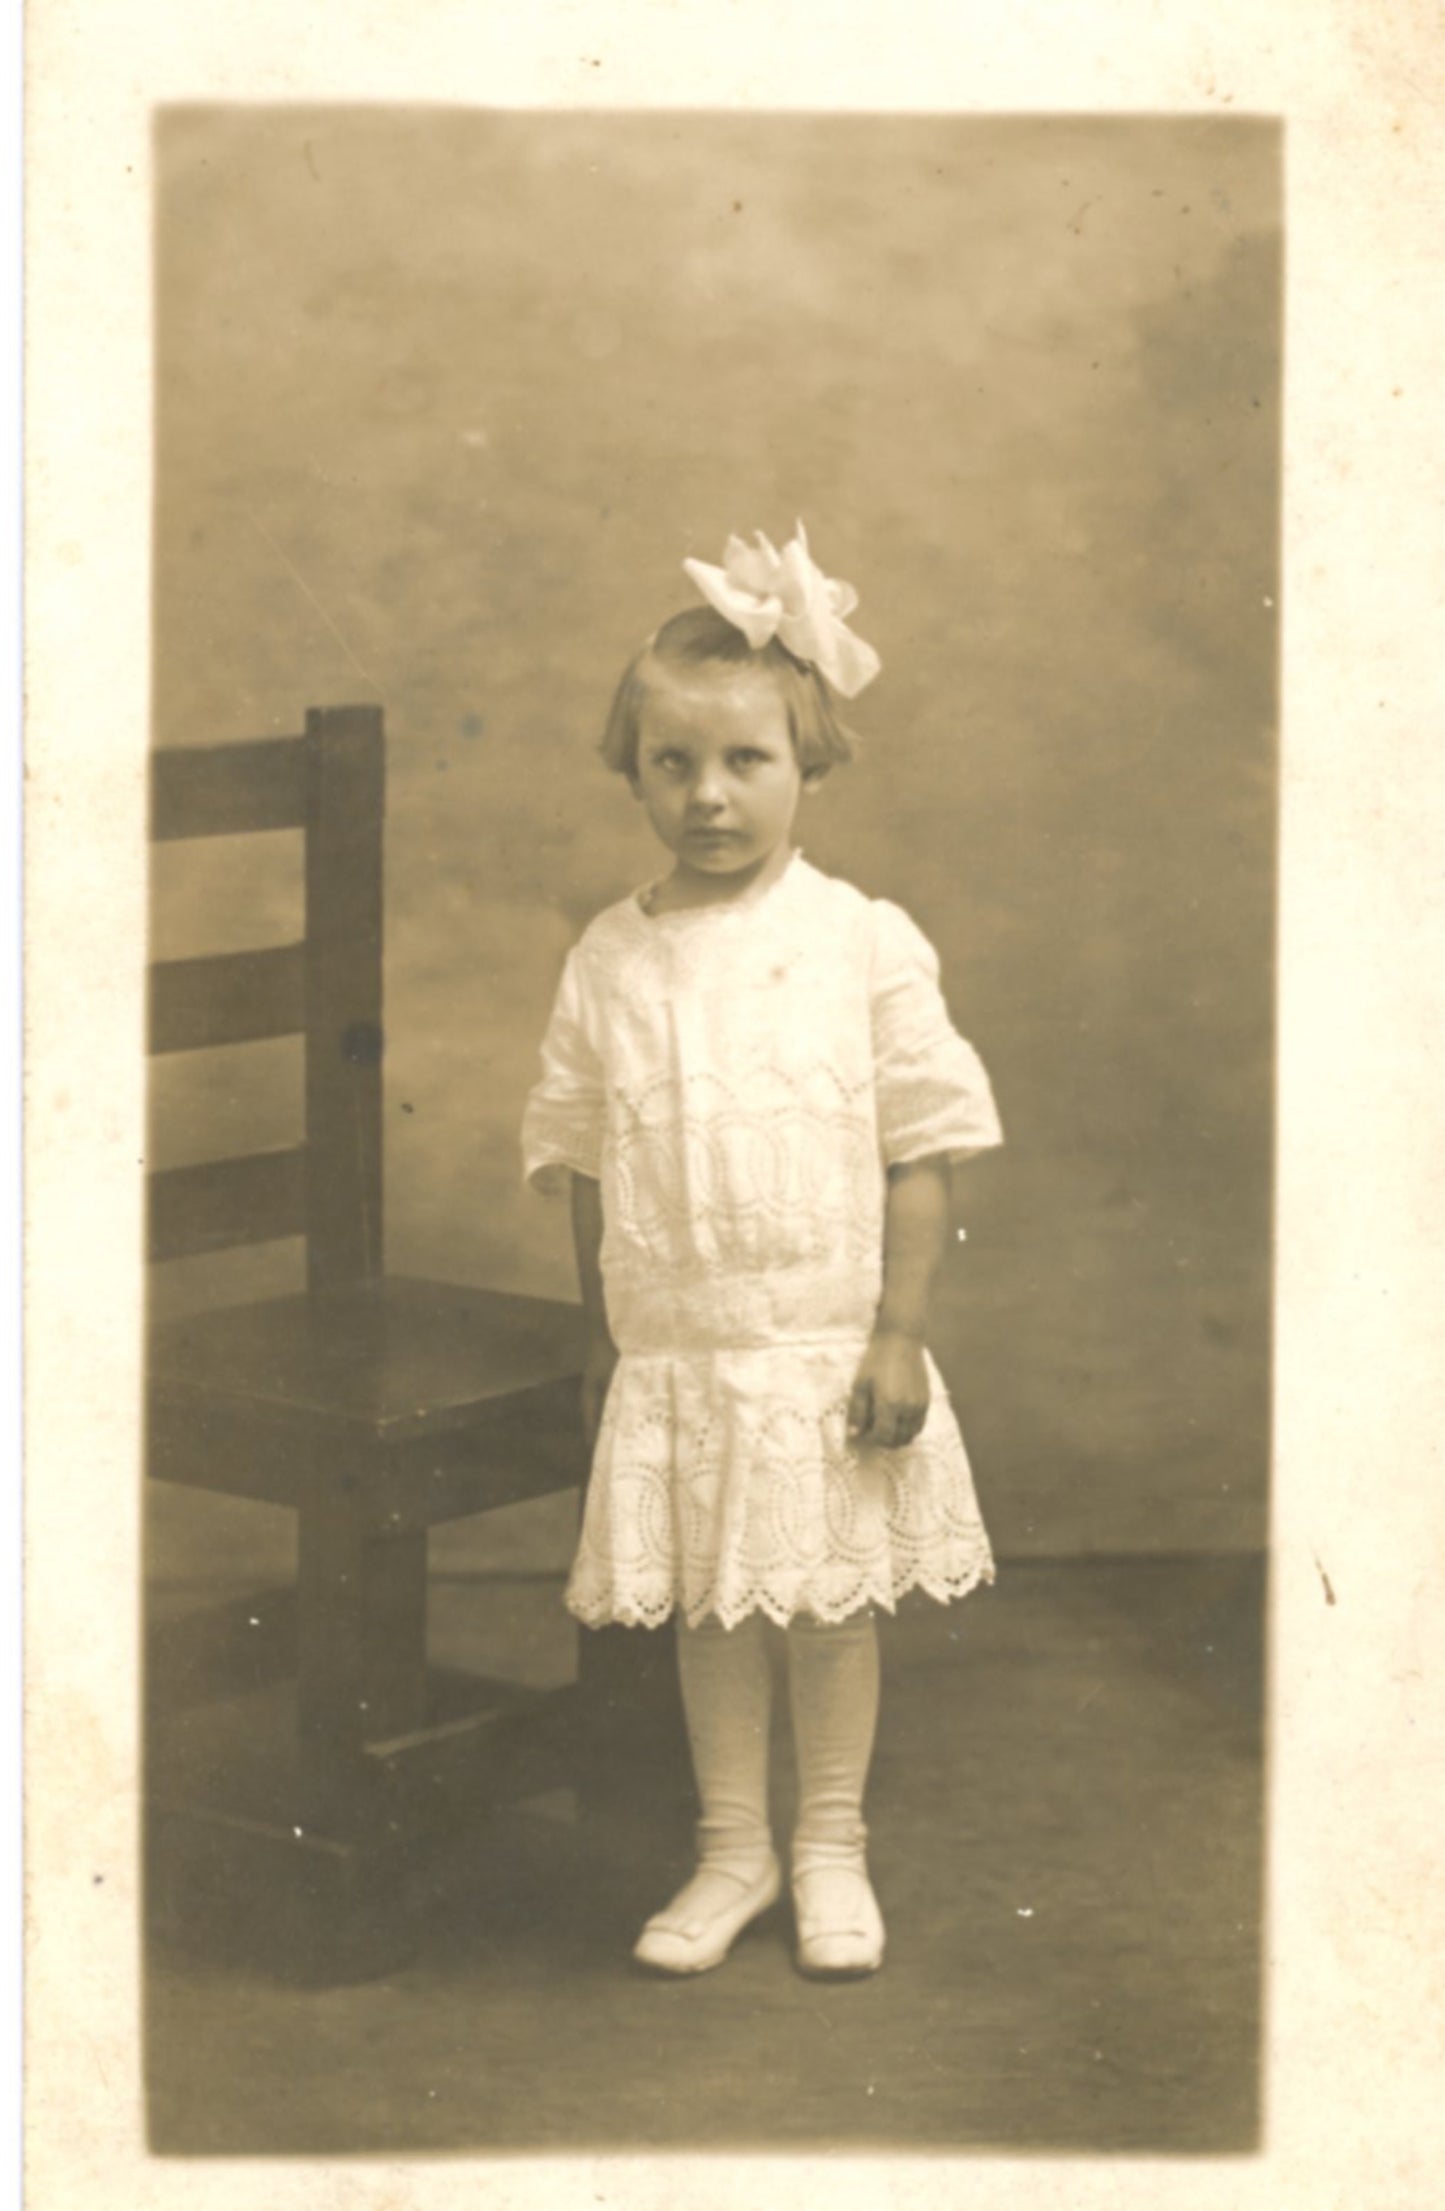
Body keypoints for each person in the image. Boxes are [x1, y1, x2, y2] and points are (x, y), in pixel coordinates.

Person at [522, 523, 1003, 1980]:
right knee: (714, 1611)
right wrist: (610, 1336)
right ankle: (732, 1848)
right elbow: (591, 1162)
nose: (708, 796)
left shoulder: (860, 940)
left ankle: (829, 1847)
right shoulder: (611, 955)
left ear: (806, 766)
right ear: (634, 772)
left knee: (824, 1599)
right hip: (683, 1344)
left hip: (819, 1332)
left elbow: (919, 1145)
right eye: (673, 764)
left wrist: (897, 1330)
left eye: (746, 763)